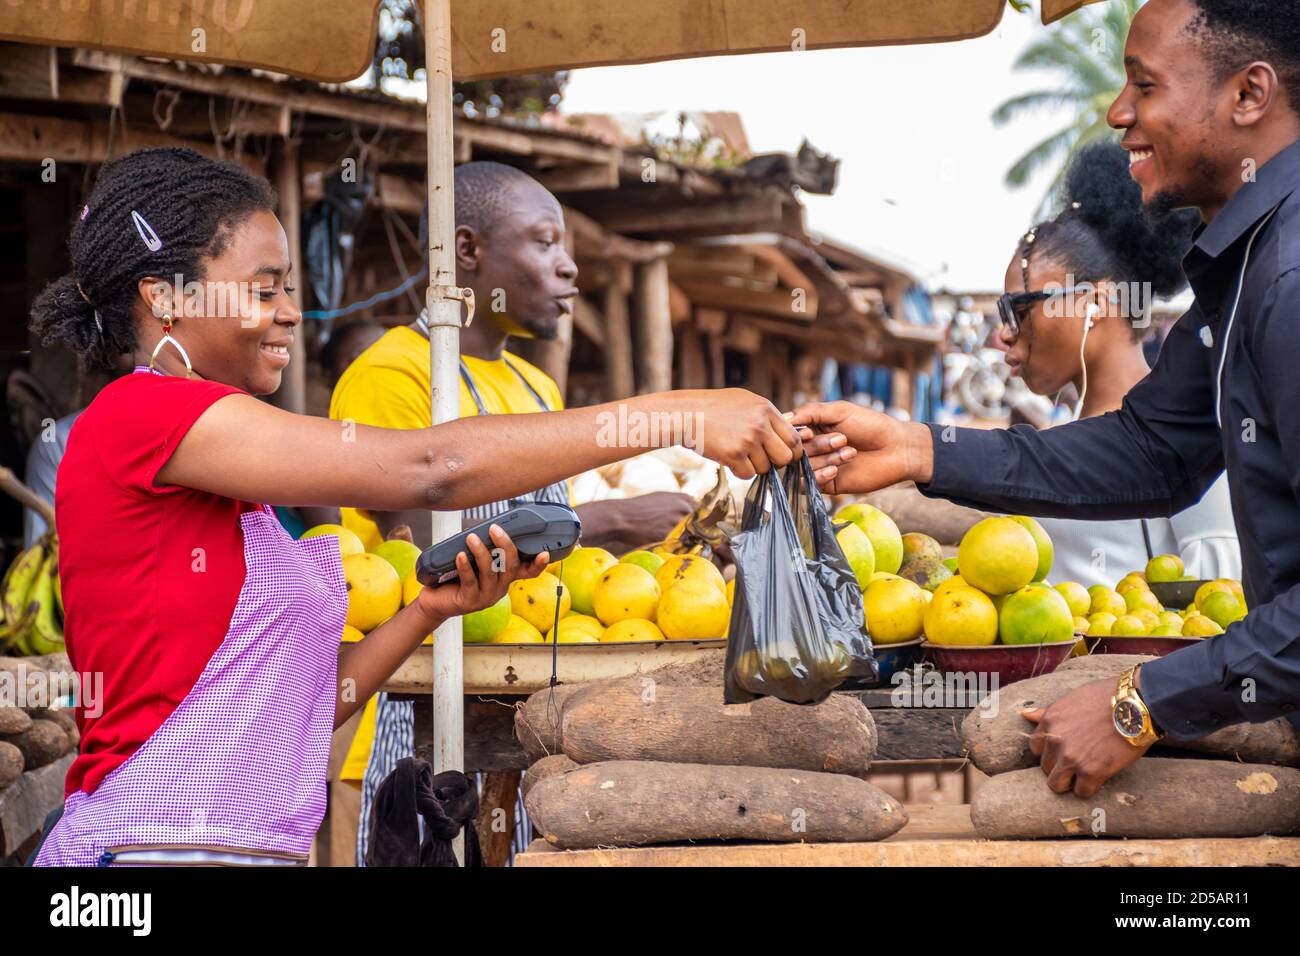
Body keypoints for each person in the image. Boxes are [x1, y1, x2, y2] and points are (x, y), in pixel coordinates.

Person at [26, 147, 802, 866]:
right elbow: (432, 467)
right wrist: (672, 416)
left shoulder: (228, 490)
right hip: (145, 852)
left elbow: (307, 706)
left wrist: (430, 611)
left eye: (289, 288)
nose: (292, 312)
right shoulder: (140, 417)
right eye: (264, 289)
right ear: (164, 299)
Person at [795, 0, 1300, 799]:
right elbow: (1151, 451)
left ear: (1249, 94)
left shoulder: (1290, 276)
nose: (1118, 113)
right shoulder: (1247, 271)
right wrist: (918, 448)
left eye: (1144, 84)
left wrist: (1142, 704)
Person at [331, 162, 696, 862]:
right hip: (421, 719)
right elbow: (429, 553)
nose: (569, 270)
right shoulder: (392, 378)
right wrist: (612, 522)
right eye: (544, 242)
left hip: (530, 714)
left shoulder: (533, 385)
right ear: (467, 251)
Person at [995, 140, 1241, 586]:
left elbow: (1222, 590)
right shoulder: (1066, 430)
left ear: (1094, 302)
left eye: (1019, 307)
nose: (1003, 332)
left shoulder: (1180, 433)